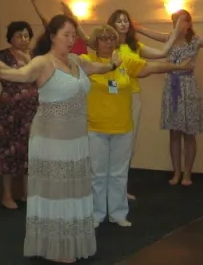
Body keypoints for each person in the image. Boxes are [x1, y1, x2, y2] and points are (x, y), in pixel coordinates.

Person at [0, 15, 124, 264]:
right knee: (57, 190)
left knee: (72, 189)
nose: (71, 39)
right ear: (53, 36)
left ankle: (71, 241)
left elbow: (97, 68)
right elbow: (20, 75)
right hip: (51, 138)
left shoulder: (77, 61)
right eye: (66, 34)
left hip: (76, 138)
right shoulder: (42, 62)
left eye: (73, 35)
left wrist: (112, 65)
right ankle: (56, 246)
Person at [80, 24, 192, 228]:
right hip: (95, 128)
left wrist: (177, 66)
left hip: (123, 127)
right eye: (103, 38)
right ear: (95, 42)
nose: (108, 42)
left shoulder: (124, 61)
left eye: (111, 38)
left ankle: (118, 213)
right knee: (97, 174)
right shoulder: (86, 61)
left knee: (118, 174)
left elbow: (150, 67)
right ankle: (96, 214)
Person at [136, 10, 203, 185]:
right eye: (174, 21)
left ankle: (187, 173)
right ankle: (176, 173)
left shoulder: (196, 40)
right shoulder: (169, 38)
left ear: (189, 23)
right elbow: (147, 32)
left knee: (189, 134)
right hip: (171, 88)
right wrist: (135, 26)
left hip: (189, 88)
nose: (177, 24)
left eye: (181, 21)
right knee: (174, 133)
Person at [0, 21, 39, 209]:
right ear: (10, 37)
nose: (24, 39)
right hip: (11, 111)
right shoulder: (3, 56)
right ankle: (7, 195)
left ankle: (27, 193)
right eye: (19, 35)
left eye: (26, 35)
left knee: (31, 152)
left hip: (32, 110)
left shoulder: (35, 57)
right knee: (8, 152)